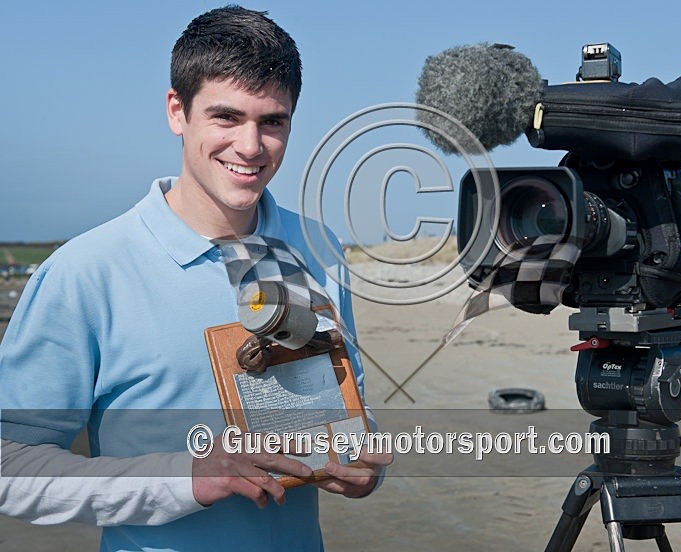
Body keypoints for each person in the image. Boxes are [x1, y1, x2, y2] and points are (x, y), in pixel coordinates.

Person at [0, 6, 391, 551]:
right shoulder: (84, 272)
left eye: (272, 121)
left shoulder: (320, 250)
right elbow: (11, 464)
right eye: (226, 117)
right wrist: (186, 478)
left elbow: (349, 413)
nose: (251, 147)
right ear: (176, 111)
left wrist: (362, 465)